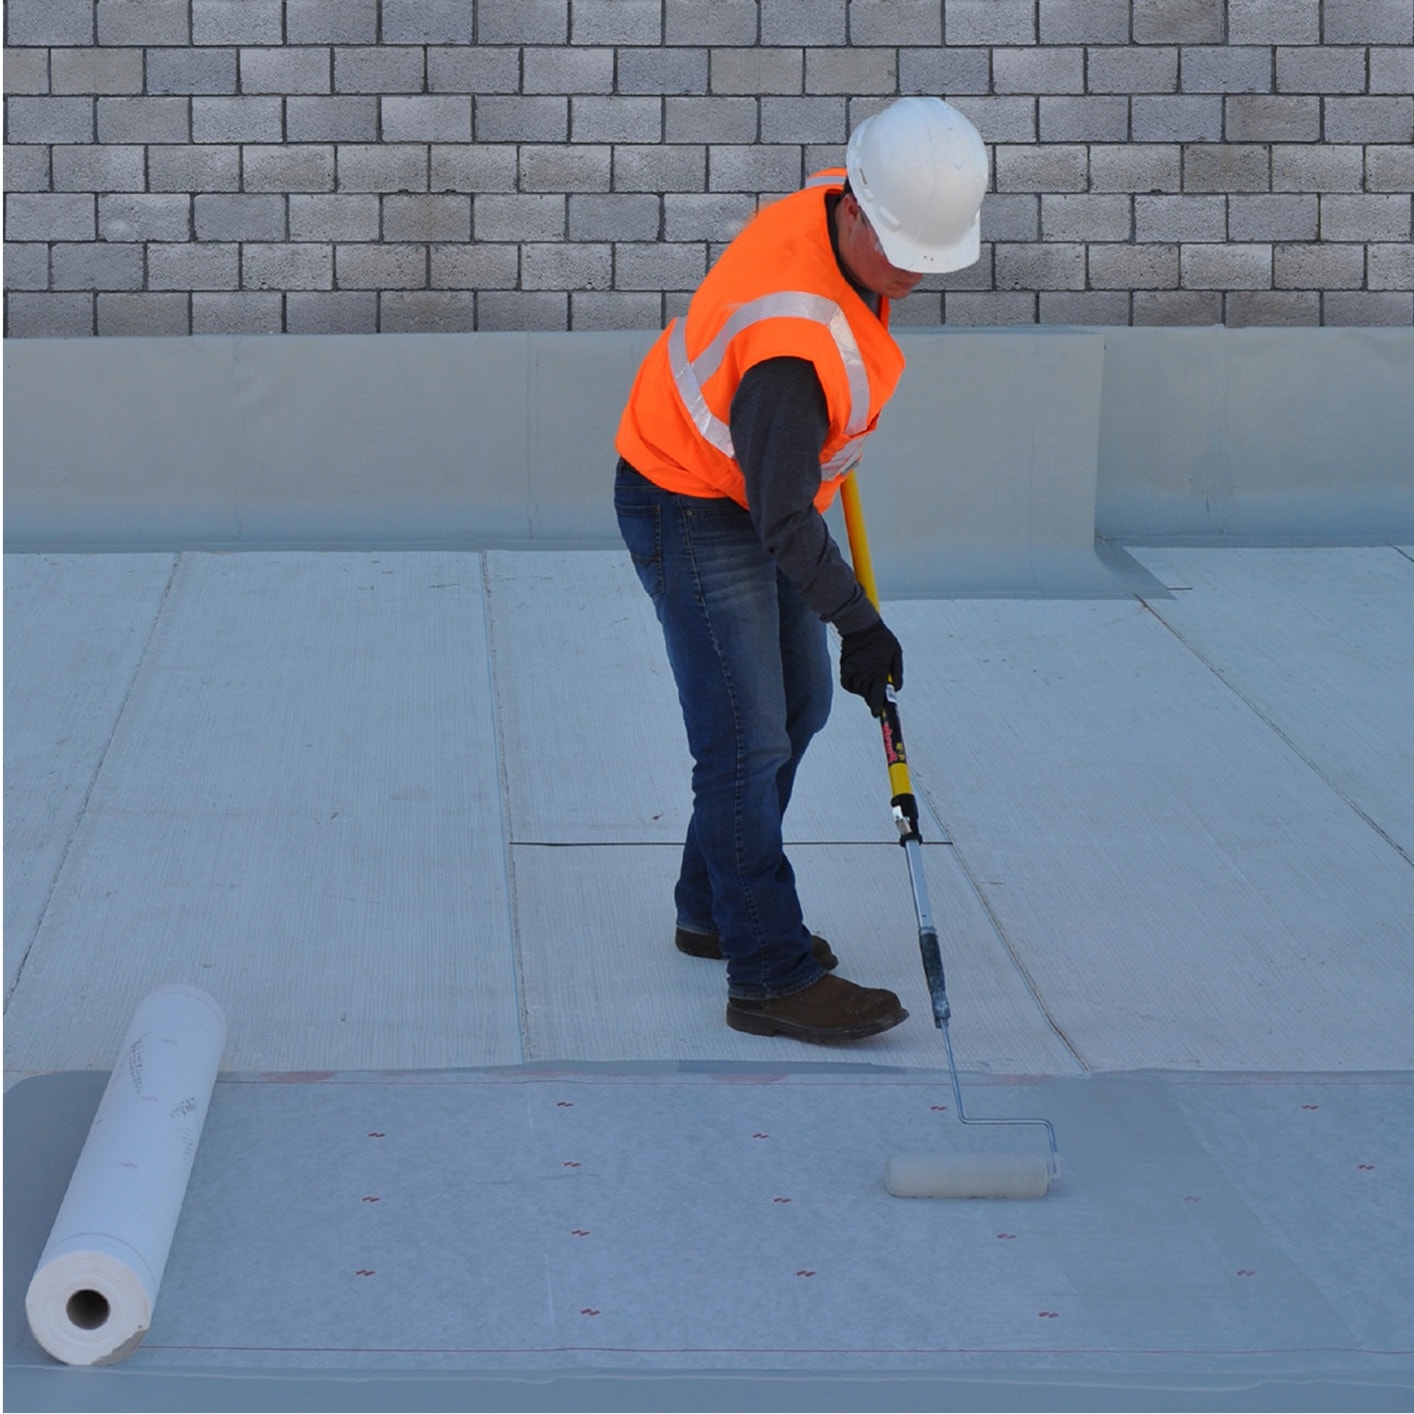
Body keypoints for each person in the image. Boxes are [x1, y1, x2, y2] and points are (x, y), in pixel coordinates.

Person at [613, 97, 988, 1043]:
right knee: (747, 743)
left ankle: (711, 906)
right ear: (858, 209)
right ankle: (768, 975)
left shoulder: (845, 211)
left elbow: (787, 491)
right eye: (903, 252)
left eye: (927, 258)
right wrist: (858, 621)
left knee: (800, 710)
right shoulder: (790, 348)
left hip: (757, 491)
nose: (912, 273)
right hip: (693, 502)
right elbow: (780, 516)